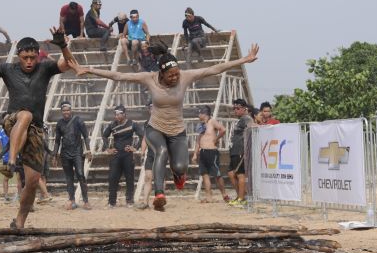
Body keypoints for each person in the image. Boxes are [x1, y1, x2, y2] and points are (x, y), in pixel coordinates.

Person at [73, 43, 259, 211]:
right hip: (155, 128)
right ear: (161, 73)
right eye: (170, 75)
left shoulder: (185, 77)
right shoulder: (149, 78)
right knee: (160, 151)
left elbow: (214, 69)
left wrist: (244, 59)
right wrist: (88, 69)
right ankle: (159, 194)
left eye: (177, 74)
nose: (174, 78)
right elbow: (118, 75)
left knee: (180, 166)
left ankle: (178, 175)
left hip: (177, 131)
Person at [0, 28, 78, 228]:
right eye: (25, 57)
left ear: (37, 56)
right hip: (13, 119)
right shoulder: (7, 69)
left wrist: (63, 45)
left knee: (33, 181)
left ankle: (19, 221)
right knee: (25, 114)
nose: (29, 61)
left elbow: (68, 64)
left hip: (35, 129)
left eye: (33, 57)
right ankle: (10, 161)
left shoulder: (44, 68)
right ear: (18, 55)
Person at [102, 105, 143, 208]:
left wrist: (135, 148)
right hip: (116, 155)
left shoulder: (132, 124)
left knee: (129, 178)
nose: (117, 116)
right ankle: (112, 202)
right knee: (112, 178)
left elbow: (142, 135)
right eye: (115, 114)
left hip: (127, 155)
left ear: (124, 114)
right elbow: (104, 135)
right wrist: (108, 148)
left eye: (119, 114)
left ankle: (129, 201)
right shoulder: (112, 125)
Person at [54, 101, 92, 210]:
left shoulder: (78, 120)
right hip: (65, 154)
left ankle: (86, 201)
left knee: (80, 174)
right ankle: (72, 200)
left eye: (68, 110)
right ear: (62, 112)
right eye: (64, 110)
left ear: (71, 110)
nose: (66, 112)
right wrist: (54, 155)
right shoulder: (59, 123)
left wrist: (88, 150)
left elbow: (85, 136)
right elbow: (57, 141)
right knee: (69, 178)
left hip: (77, 152)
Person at [192, 106, 230, 203]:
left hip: (212, 151)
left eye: (199, 113)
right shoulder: (201, 125)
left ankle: (224, 194)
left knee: (217, 175)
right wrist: (195, 154)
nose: (198, 115)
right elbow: (198, 140)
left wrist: (216, 139)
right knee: (204, 174)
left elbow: (223, 129)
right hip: (203, 152)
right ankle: (208, 196)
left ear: (204, 113)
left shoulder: (212, 121)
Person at [228, 99, 253, 208]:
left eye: (237, 108)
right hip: (234, 150)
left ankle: (241, 198)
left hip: (240, 151)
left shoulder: (246, 118)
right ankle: (240, 196)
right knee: (230, 173)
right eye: (234, 108)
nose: (235, 110)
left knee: (240, 175)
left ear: (244, 108)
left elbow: (252, 126)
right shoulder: (240, 120)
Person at [135, 101, 159, 210]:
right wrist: (142, 152)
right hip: (150, 153)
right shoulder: (146, 123)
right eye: (149, 108)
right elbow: (145, 138)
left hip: (161, 153)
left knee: (159, 178)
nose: (151, 110)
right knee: (148, 177)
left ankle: (159, 200)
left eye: (153, 107)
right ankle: (145, 202)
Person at [0, 114, 14, 201]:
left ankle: (20, 195)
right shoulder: (1, 131)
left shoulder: (15, 129)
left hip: (17, 156)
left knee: (20, 177)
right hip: (6, 157)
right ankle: (6, 195)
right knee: (6, 177)